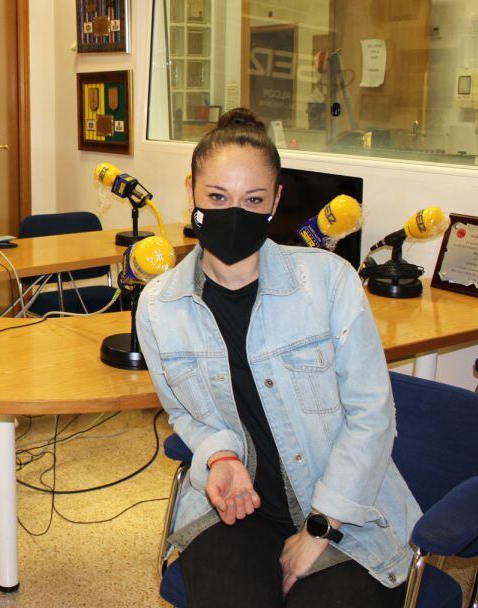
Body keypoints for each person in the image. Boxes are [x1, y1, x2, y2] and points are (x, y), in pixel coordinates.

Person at [137, 108, 420, 608]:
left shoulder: (329, 282)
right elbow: (184, 413)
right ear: (191, 192)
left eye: (253, 200)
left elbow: (373, 417)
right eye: (217, 197)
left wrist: (319, 528)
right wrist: (219, 455)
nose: (234, 214)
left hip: (340, 508)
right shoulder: (159, 306)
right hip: (235, 505)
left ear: (277, 201)